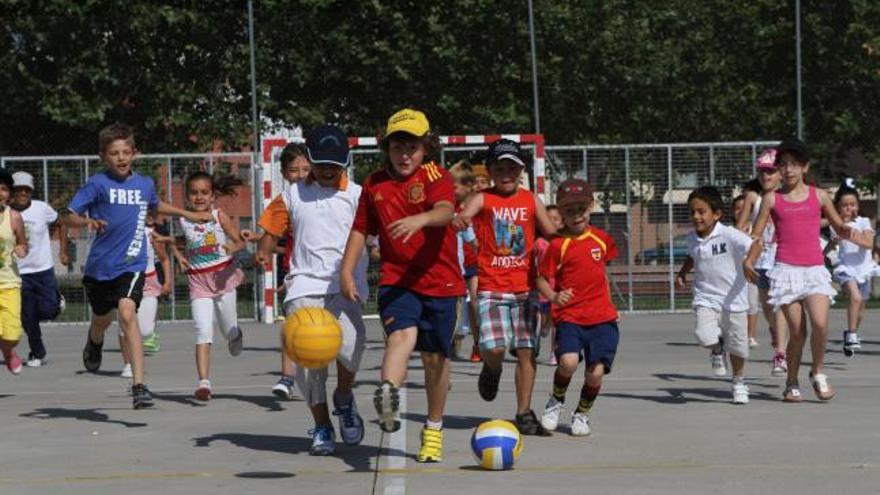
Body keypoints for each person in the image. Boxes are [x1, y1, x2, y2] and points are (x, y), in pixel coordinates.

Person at [340, 108, 465, 463]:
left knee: (434, 359)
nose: (405, 154)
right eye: (398, 146)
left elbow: (444, 209)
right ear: (387, 148)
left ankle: (434, 429)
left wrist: (421, 219)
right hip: (398, 279)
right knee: (399, 338)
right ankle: (388, 397)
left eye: (412, 146)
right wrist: (347, 271)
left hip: (442, 282)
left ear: (426, 147)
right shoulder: (374, 183)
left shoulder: (435, 175)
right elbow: (361, 229)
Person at [65, 122, 209, 409]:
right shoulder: (97, 184)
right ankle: (94, 340)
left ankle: (139, 385)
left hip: (132, 264)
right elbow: (67, 217)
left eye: (125, 152)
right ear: (103, 157)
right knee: (102, 319)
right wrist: (87, 222)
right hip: (99, 268)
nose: (121, 158)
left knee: (128, 314)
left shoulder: (143, 184)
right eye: (114, 153)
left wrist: (186, 213)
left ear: (135, 154)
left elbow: (156, 206)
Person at [257, 124, 368, 456]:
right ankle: (321, 425)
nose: (329, 170)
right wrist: (264, 248)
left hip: (345, 285)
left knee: (352, 346)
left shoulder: (358, 195)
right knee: (309, 363)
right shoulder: (291, 194)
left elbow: (375, 236)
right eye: (321, 163)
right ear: (310, 158)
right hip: (304, 286)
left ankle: (344, 397)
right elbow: (270, 229)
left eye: (335, 164)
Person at [454, 138, 558, 436]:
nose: (506, 172)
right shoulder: (484, 198)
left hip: (526, 290)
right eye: (500, 167)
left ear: (521, 170)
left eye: (512, 167)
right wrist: (461, 221)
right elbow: (465, 214)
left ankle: (524, 412)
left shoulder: (530, 200)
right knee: (495, 349)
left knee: (526, 351)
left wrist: (571, 240)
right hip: (491, 287)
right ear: (490, 170)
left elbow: (551, 232)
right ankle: (492, 368)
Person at [744, 138, 851, 402]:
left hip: (815, 269)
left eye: (794, 164)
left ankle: (817, 372)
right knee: (798, 332)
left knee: (821, 323)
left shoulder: (820, 195)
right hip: (786, 270)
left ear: (805, 167)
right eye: (783, 165)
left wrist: (859, 235)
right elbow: (757, 236)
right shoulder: (771, 199)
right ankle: (791, 381)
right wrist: (748, 260)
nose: (788, 169)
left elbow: (840, 227)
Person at [535, 179, 619, 435]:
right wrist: (553, 295)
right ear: (560, 213)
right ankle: (555, 401)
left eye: (581, 208)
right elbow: (540, 278)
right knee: (569, 362)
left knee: (595, 373)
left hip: (602, 318)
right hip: (570, 315)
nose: (576, 215)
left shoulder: (602, 240)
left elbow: (602, 275)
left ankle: (582, 413)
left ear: (591, 207)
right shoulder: (558, 245)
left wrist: (612, 305)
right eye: (569, 210)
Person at [245, 142, 311, 399]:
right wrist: (261, 251)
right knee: (292, 325)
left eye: (307, 168)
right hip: (294, 271)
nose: (301, 175)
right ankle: (287, 377)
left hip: (327, 272)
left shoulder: (325, 197)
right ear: (283, 173)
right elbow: (270, 236)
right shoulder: (283, 202)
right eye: (294, 170)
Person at [676, 186, 753, 404]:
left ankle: (738, 382)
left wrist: (748, 262)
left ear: (717, 214)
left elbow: (754, 244)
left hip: (734, 299)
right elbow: (694, 256)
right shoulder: (692, 239)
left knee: (738, 348)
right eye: (692, 212)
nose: (696, 216)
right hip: (706, 297)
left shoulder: (729, 234)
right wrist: (682, 272)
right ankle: (717, 348)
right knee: (704, 335)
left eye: (701, 211)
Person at [174, 171, 247, 401]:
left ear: (212, 195)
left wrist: (231, 249)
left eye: (204, 192)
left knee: (227, 330)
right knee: (203, 330)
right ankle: (204, 383)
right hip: (199, 282)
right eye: (194, 193)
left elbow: (240, 242)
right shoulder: (183, 220)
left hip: (223, 278)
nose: (199, 197)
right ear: (187, 196)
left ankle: (236, 335)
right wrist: (179, 257)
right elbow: (176, 244)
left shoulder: (218, 216)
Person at [736, 149, 788, 377]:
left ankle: (780, 353)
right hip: (761, 259)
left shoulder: (787, 197)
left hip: (784, 258)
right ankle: (776, 332)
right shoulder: (753, 198)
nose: (766, 176)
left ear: (780, 174)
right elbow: (740, 227)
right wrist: (745, 235)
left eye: (770, 172)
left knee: (779, 304)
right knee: (767, 306)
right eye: (762, 172)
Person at [9, 171, 68, 368]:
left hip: (43, 270)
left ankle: (57, 301)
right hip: (19, 273)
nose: (23, 193)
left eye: (27, 189)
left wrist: (63, 251)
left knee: (48, 310)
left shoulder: (42, 208)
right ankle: (37, 352)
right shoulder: (5, 212)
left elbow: (61, 223)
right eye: (18, 189)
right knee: (27, 315)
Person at [825, 178, 875, 357]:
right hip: (846, 268)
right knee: (854, 297)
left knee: (860, 308)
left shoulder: (864, 222)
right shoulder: (836, 226)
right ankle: (853, 335)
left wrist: (850, 236)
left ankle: (850, 332)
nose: (849, 208)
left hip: (864, 269)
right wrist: (833, 242)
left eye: (853, 204)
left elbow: (868, 244)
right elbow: (830, 248)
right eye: (845, 205)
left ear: (858, 205)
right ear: (838, 207)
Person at [119, 212, 173, 378]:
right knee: (124, 328)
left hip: (149, 283)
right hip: (126, 283)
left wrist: (167, 282)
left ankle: (143, 342)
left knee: (146, 330)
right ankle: (128, 363)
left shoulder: (150, 235)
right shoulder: (119, 235)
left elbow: (164, 259)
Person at [448, 161, 479, 360]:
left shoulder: (480, 202)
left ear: (469, 187)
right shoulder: (446, 206)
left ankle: (478, 342)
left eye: (455, 186)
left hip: (474, 261)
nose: (450, 190)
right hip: (454, 264)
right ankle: (452, 340)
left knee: (475, 302)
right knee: (453, 306)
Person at [0, 169, 29, 375]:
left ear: (9, 194)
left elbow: (22, 243)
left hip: (9, 283)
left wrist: (21, 249)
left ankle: (8, 352)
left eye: (3, 189)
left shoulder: (14, 217)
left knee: (12, 335)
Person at [535, 204, 563, 366]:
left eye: (555, 219)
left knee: (556, 323)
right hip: (540, 288)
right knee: (542, 319)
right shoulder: (538, 242)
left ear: (562, 223)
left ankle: (554, 352)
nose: (551, 222)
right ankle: (537, 336)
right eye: (548, 219)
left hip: (557, 289)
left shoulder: (563, 242)